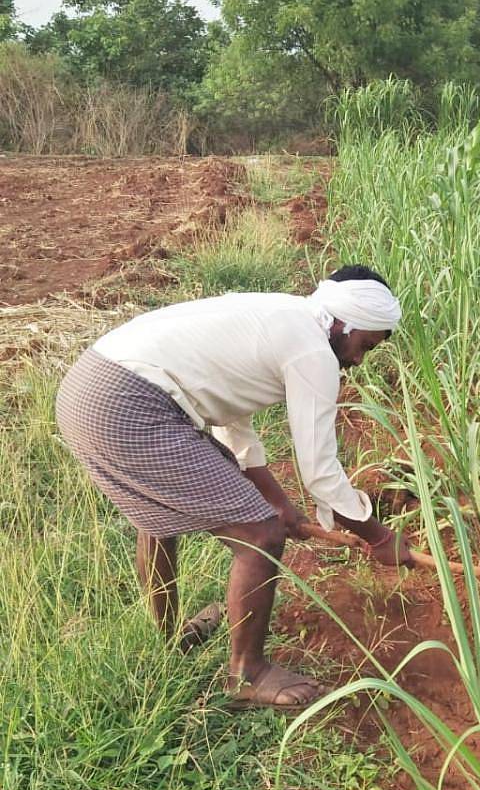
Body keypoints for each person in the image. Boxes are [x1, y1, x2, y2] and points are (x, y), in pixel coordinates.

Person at [56, 265, 413, 711]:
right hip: (128, 403)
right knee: (261, 536)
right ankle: (249, 675)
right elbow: (320, 471)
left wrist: (280, 503)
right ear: (345, 324)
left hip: (88, 387)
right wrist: (378, 537)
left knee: (161, 514)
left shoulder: (281, 316)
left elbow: (232, 424)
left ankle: (171, 638)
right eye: (364, 346)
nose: (359, 360)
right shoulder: (312, 352)